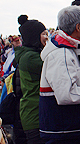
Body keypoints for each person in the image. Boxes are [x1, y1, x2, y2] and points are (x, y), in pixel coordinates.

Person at [39, 6, 80, 144]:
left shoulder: (66, 50)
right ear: (78, 27)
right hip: (63, 130)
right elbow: (67, 94)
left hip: (66, 129)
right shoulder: (61, 53)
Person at [15, 15, 48, 144]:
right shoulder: (31, 58)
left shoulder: (26, 54)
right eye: (44, 34)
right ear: (34, 36)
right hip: (35, 115)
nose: (47, 37)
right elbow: (53, 68)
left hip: (32, 113)